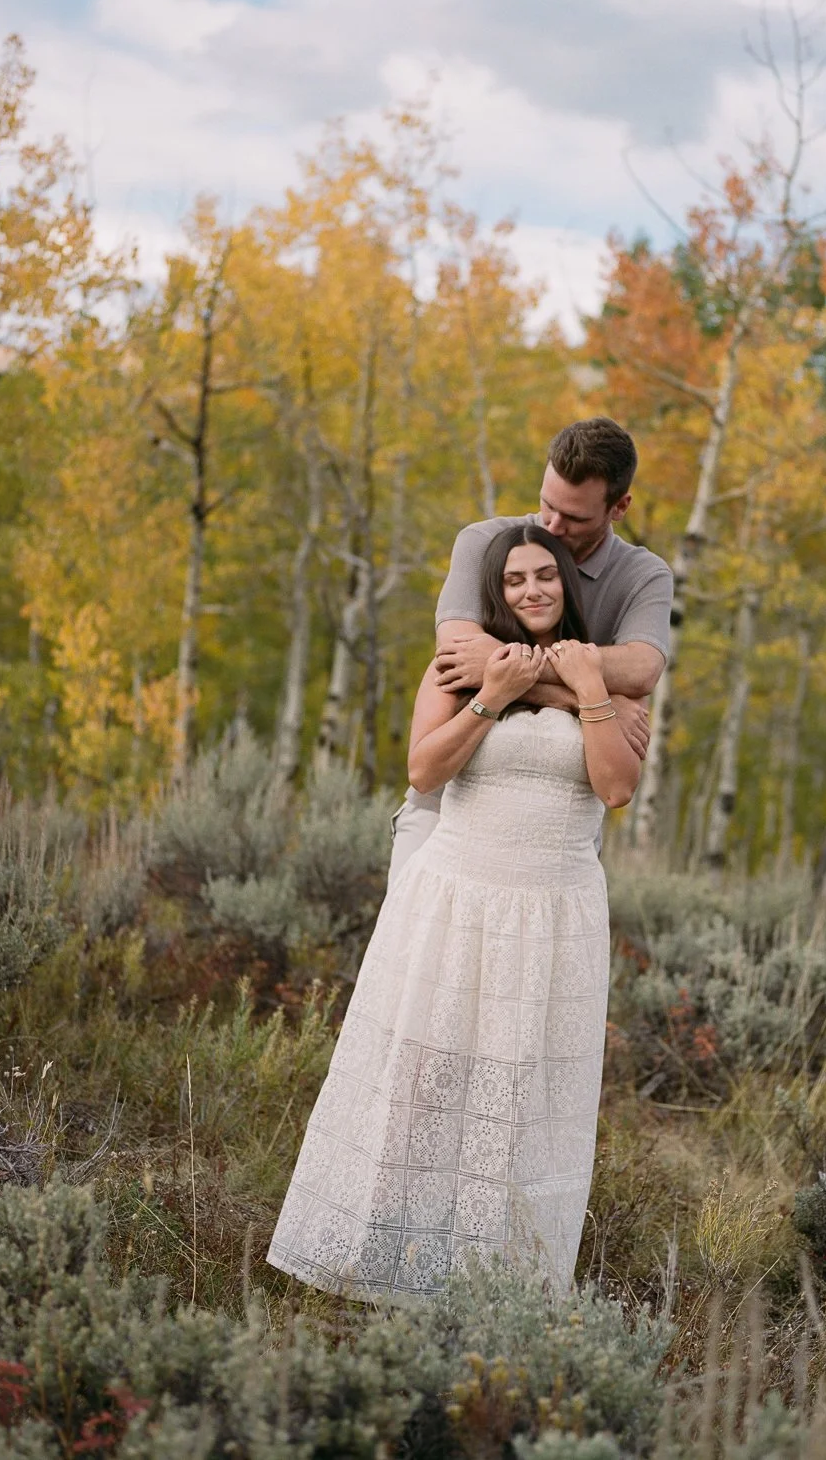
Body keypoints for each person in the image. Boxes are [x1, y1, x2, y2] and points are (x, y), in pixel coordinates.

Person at [267, 525, 640, 1298]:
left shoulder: (608, 679)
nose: (530, 590)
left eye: (545, 576)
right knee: (423, 1075)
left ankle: (490, 1278)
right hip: (455, 894)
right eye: (512, 580)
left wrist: (590, 688)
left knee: (520, 1088)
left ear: (568, 587)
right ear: (494, 592)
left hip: (553, 912)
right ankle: (380, 1261)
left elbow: (615, 788)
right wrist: (492, 699)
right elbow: (423, 768)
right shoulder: (460, 663)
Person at [388, 416, 673, 882]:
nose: (552, 526)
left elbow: (640, 670)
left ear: (619, 507)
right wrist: (588, 699)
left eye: (575, 517)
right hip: (447, 812)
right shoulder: (484, 542)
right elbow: (460, 653)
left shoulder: (643, 576)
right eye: (546, 505)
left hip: (554, 839)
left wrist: (507, 669)